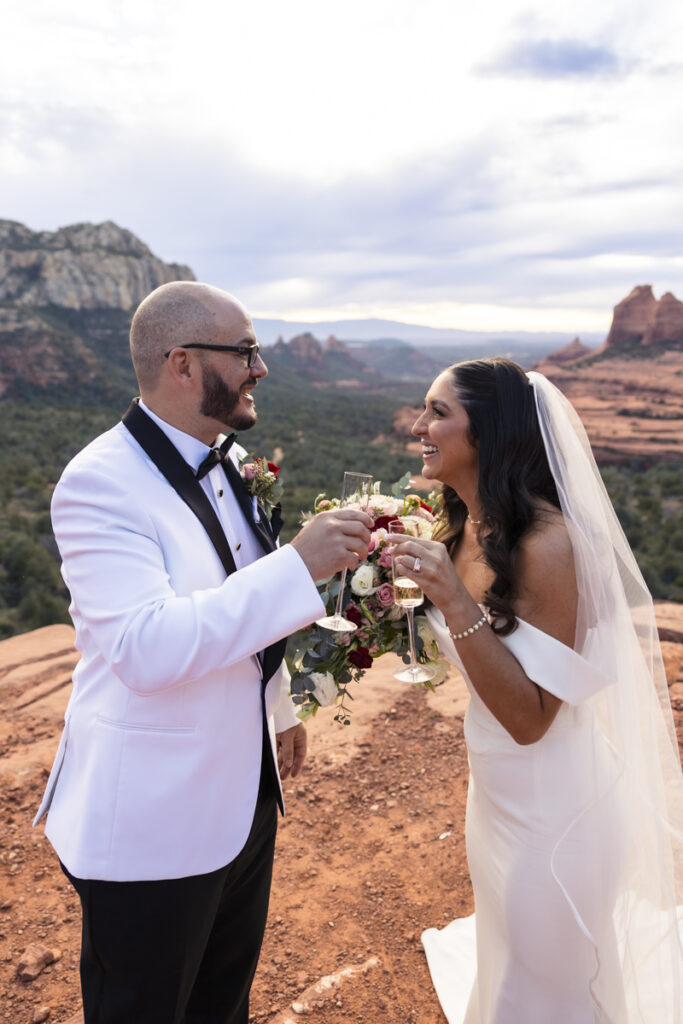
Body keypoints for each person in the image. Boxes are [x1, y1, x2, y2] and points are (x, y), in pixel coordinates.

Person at [33, 281, 372, 1024]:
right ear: (183, 364)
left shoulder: (229, 457)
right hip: (152, 820)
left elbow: (239, 599)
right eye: (246, 351)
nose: (261, 368)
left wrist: (277, 706)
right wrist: (301, 566)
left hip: (244, 798)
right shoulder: (98, 483)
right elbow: (143, 649)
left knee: (222, 1007)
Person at [391, 358, 683, 1022]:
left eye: (438, 412)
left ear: (491, 432)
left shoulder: (548, 545)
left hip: (558, 813)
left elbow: (531, 721)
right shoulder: (463, 524)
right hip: (496, 791)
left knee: (545, 989)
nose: (418, 427)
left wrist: (450, 598)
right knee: (515, 962)